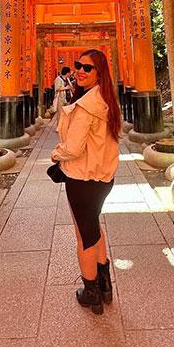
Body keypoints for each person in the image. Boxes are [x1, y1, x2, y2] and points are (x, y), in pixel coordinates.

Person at [50, 48, 122, 315]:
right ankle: (105, 285)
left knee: (84, 236)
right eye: (78, 65)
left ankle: (90, 292)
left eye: (88, 68)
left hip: (82, 179)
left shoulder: (85, 107)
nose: (80, 70)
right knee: (94, 227)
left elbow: (73, 148)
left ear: (99, 72)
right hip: (103, 178)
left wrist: (55, 153)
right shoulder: (106, 99)